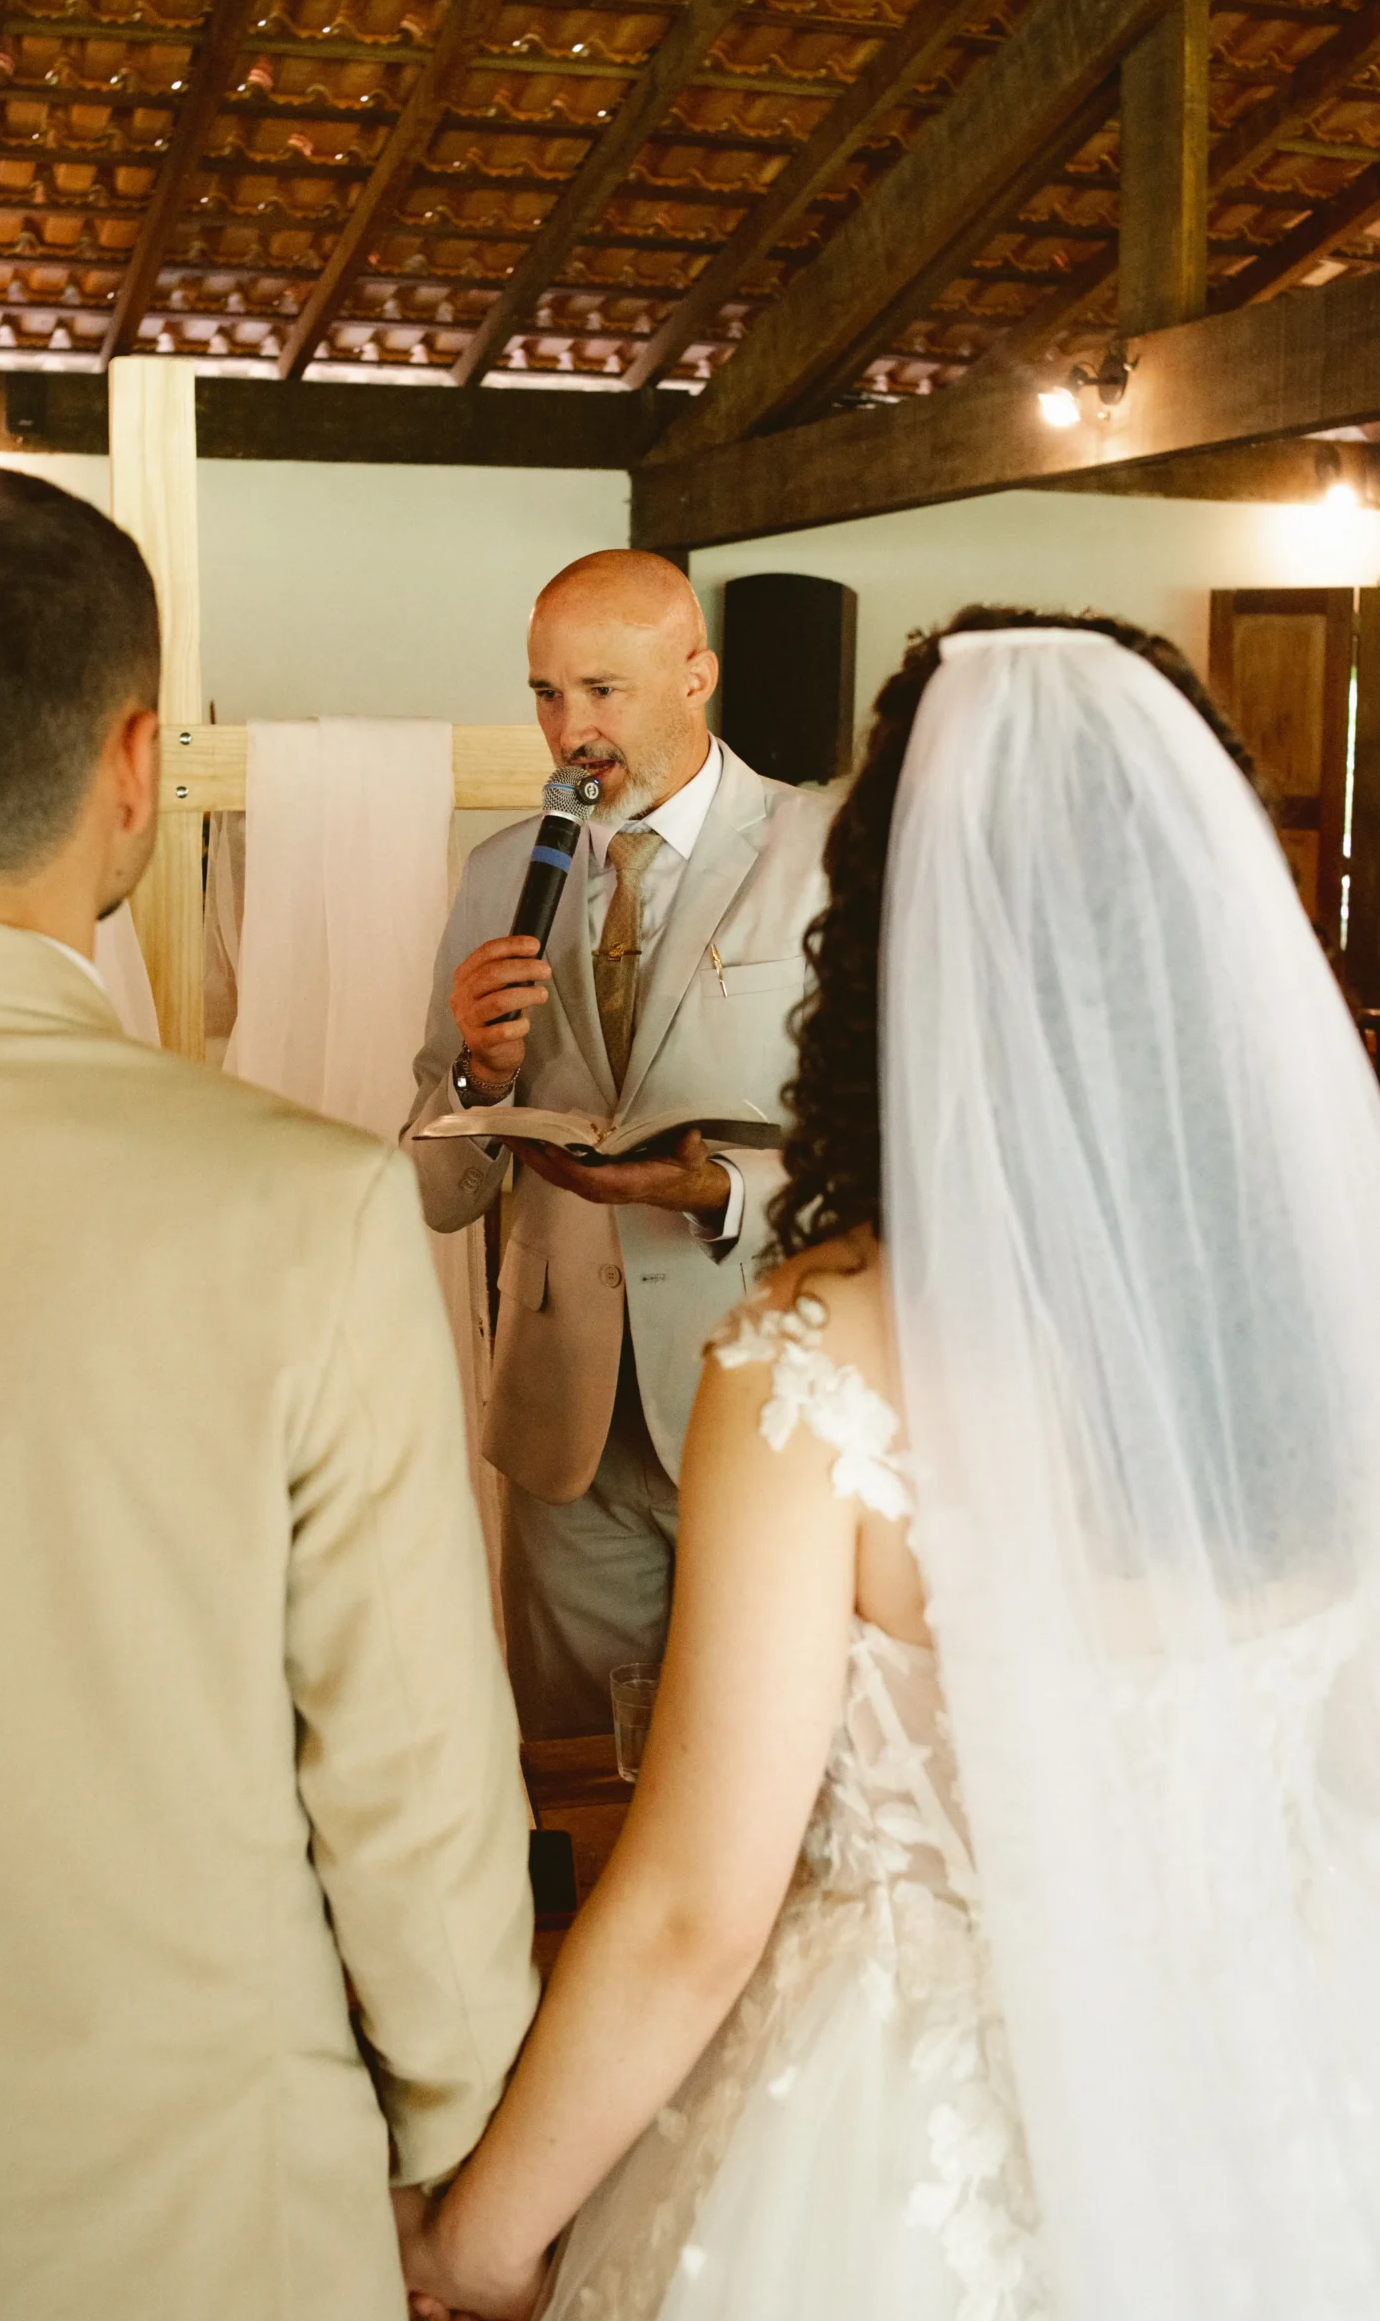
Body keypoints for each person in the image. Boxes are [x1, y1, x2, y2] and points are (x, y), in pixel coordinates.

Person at [400, 606, 1380, 2321]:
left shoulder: (821, 1360)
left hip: (903, 2133)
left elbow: (695, 1911)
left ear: (882, 940)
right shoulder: (1333, 1295)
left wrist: (478, 2236)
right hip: (1279, 2069)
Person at [0, 467, 536, 2321]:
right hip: (180, 2202)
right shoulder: (302, 1207)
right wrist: (468, 2143)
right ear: (137, 762)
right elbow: (406, 1775)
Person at [406, 550, 838, 1738]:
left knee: (776, 1756)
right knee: (571, 1768)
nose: (568, 731)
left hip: (768, 1401)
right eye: (547, 694)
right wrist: (478, 1073)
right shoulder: (499, 872)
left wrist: (721, 1188)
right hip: (568, 1437)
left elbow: (903, 1149)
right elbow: (433, 1188)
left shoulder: (829, 852)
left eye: (603, 690)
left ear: (696, 675)